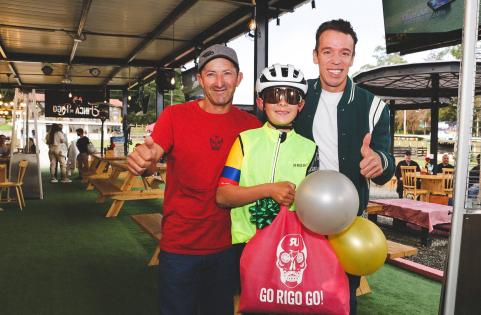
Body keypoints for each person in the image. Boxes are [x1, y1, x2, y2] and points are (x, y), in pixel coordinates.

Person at [126, 44, 261, 315]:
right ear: (200, 79)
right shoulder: (175, 116)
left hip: (228, 247)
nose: (219, 82)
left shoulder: (252, 126)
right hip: (180, 246)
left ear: (239, 78)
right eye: (211, 74)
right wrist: (144, 160)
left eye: (227, 74)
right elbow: (153, 155)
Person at [293, 19, 395, 315]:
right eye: (327, 52)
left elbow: (388, 163)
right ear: (315, 55)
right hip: (299, 218)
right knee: (296, 295)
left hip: (348, 224)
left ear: (352, 57)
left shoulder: (374, 106)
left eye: (344, 53)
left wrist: (378, 161)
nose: (336, 61)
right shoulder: (296, 97)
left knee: (341, 299)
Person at [216, 64, 318, 296]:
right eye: (274, 96)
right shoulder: (244, 141)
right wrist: (269, 190)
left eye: (291, 96)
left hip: (290, 249)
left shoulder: (310, 149)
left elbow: (313, 208)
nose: (282, 103)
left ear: (300, 105)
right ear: (261, 103)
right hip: (244, 243)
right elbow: (223, 195)